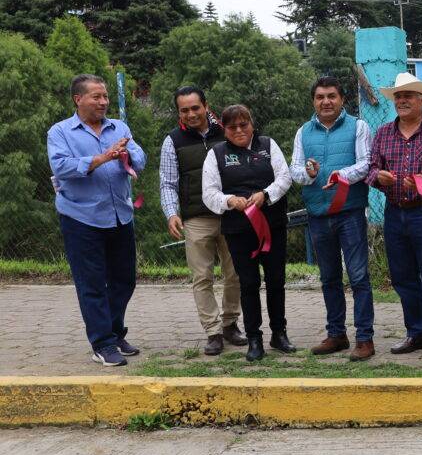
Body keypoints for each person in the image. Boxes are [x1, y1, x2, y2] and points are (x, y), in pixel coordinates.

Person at [48, 74, 147, 367]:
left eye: (105, 97)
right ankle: (102, 343)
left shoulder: (120, 127)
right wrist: (103, 157)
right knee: (91, 284)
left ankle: (115, 333)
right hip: (81, 218)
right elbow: (62, 167)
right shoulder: (60, 132)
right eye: (96, 97)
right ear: (78, 99)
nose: (103, 102)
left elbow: (140, 158)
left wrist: (127, 153)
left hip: (119, 215)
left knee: (124, 280)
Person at [366, 72, 422, 362]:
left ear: (421, 99)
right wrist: (378, 177)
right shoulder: (382, 133)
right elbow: (371, 169)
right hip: (395, 214)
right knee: (403, 278)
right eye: (398, 96)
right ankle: (416, 332)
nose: (402, 100)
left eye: (408, 95)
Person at [290, 77, 376, 361]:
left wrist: (343, 175)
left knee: (359, 276)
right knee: (328, 278)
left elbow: (366, 164)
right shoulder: (303, 132)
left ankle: (365, 338)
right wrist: (310, 174)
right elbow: (296, 172)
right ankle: (336, 334)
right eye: (320, 97)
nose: (326, 101)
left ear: (342, 100)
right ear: (313, 101)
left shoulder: (359, 127)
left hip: (349, 211)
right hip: (317, 214)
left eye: (331, 96)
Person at [201, 104, 294, 362]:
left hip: (272, 225)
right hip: (239, 230)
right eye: (233, 127)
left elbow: (284, 178)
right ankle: (254, 338)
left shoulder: (268, 145)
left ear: (252, 123)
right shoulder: (216, 154)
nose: (239, 130)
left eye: (244, 124)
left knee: (276, 280)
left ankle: (279, 333)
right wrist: (230, 200)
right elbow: (209, 193)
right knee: (249, 283)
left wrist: (266, 195)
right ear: (225, 129)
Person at [160, 86, 243, 356]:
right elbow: (167, 183)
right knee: (202, 277)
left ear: (206, 106)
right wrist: (172, 213)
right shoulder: (172, 141)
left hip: (231, 215)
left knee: (235, 274)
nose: (191, 114)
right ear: (179, 113)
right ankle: (213, 331)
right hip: (196, 218)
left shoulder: (228, 131)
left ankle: (231, 323)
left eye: (195, 108)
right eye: (184, 110)